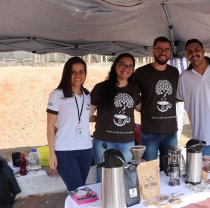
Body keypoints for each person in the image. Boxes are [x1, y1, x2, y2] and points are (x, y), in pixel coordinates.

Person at [90, 53, 141, 182]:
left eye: (130, 66)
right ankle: (104, 202)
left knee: (127, 178)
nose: (126, 68)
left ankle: (123, 202)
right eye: (122, 64)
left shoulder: (134, 89)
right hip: (104, 141)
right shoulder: (100, 88)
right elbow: (87, 116)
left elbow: (141, 108)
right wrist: (101, 118)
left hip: (127, 141)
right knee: (103, 178)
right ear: (115, 66)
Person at [47, 57, 93, 192]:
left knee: (79, 190)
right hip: (64, 151)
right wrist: (51, 154)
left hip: (86, 149)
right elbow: (50, 126)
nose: (78, 76)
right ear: (67, 73)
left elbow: (85, 117)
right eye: (73, 72)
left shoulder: (87, 95)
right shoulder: (56, 95)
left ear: (85, 74)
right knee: (77, 190)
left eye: (81, 72)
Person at [134, 36, 179, 170]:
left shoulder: (174, 72)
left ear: (170, 52)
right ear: (153, 50)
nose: (162, 52)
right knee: (149, 172)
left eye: (166, 49)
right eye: (159, 49)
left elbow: (177, 96)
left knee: (171, 170)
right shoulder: (141, 72)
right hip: (149, 133)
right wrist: (143, 108)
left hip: (171, 132)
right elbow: (132, 95)